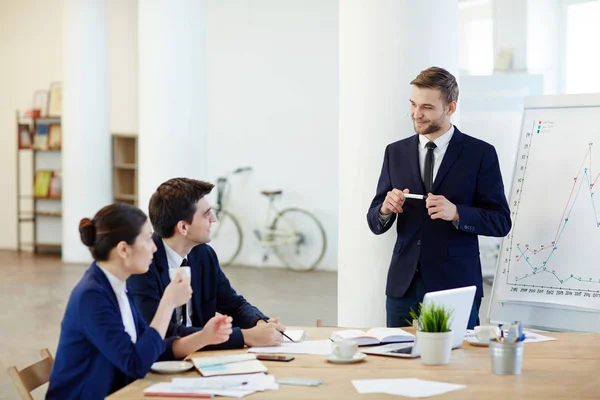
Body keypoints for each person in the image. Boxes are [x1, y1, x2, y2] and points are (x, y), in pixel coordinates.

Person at [367, 66, 511, 329]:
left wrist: (457, 213)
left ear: (451, 107)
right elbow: (374, 217)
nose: (416, 114)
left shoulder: (480, 154)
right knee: (397, 359)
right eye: (413, 104)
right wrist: (385, 210)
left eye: (427, 107)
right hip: (402, 286)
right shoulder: (395, 152)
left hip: (455, 286)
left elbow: (501, 221)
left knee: (457, 365)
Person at [47, 203, 233, 400]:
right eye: (147, 239)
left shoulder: (116, 286)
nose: (154, 247)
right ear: (123, 250)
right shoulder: (92, 296)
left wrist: (205, 336)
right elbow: (136, 364)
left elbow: (153, 347)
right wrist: (168, 303)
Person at [128, 178, 286, 350]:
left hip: (201, 359)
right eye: (206, 214)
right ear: (183, 227)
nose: (214, 219)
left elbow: (234, 304)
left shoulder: (203, 254)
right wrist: (245, 336)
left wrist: (260, 322)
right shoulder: (143, 264)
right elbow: (163, 333)